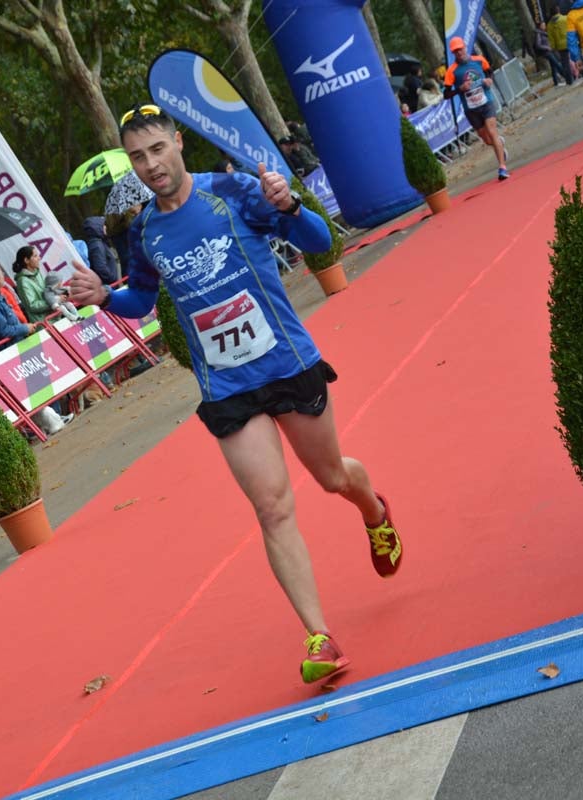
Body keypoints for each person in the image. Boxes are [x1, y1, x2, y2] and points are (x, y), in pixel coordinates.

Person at [69, 104, 403, 685]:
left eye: (157, 150)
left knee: (331, 478)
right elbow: (142, 301)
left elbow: (320, 240)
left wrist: (291, 207)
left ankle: (374, 509)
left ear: (177, 143)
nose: (151, 166)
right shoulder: (144, 230)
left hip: (285, 364)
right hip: (226, 385)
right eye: (138, 157)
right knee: (272, 507)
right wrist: (104, 295)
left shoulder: (235, 192)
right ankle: (319, 636)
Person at [443, 37, 511, 180]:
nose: (459, 53)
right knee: (487, 140)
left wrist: (489, 80)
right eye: (455, 51)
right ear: (453, 53)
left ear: (465, 47)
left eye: (460, 49)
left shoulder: (479, 60)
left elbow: (489, 72)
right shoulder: (451, 71)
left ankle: (502, 168)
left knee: (492, 132)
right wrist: (460, 89)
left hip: (486, 103)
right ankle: (499, 144)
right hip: (471, 109)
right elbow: (446, 94)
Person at [13, 246, 53, 323]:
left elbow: (45, 291)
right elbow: (32, 306)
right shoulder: (22, 281)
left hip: (54, 316)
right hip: (44, 324)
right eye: (35, 256)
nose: (39, 258)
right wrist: (54, 301)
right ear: (26, 260)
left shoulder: (37, 272)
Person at [81, 217, 121, 285]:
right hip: (108, 285)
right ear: (97, 228)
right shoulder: (97, 245)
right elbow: (101, 268)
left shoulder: (98, 243)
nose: (105, 227)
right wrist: (112, 278)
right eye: (103, 225)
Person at [535, 21, 571, 86]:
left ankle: (556, 82)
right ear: (539, 26)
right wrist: (547, 47)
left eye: (544, 25)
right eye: (542, 25)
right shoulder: (538, 34)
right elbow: (538, 45)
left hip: (550, 51)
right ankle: (567, 77)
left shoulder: (544, 33)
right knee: (557, 64)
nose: (544, 26)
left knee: (553, 66)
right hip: (546, 52)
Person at [547, 10, 576, 84]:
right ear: (558, 11)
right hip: (570, 42)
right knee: (575, 57)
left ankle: (569, 80)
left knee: (565, 63)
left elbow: (551, 38)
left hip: (560, 47)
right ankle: (581, 73)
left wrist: (553, 47)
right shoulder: (565, 18)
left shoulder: (549, 25)